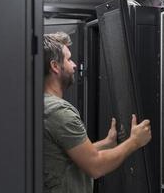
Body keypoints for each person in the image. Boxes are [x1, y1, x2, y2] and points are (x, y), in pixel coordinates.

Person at [43, 31, 152, 193]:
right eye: (68, 59)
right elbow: (95, 166)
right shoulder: (59, 112)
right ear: (55, 66)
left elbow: (71, 156)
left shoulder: (42, 104)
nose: (74, 65)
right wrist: (135, 141)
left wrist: (107, 143)